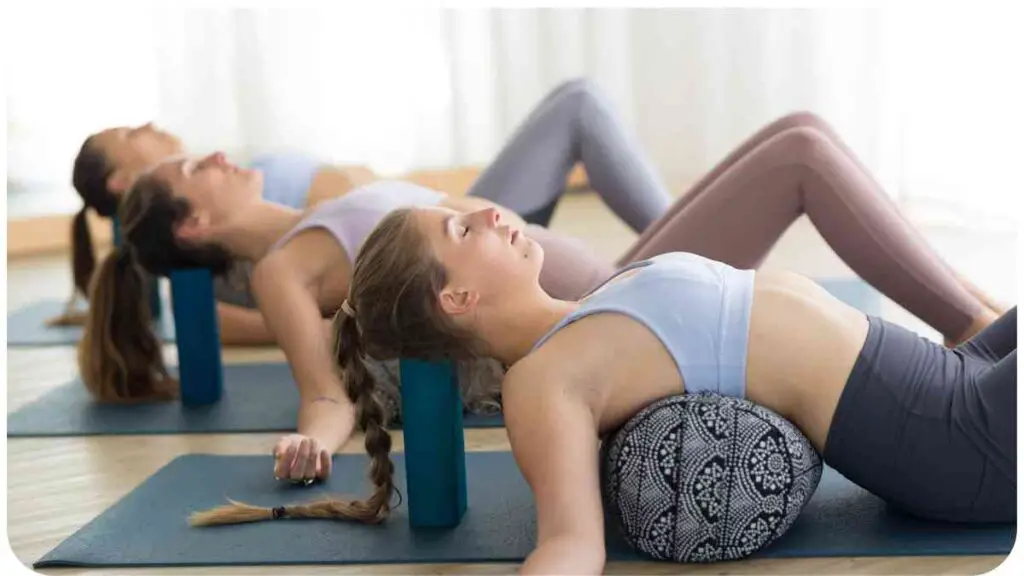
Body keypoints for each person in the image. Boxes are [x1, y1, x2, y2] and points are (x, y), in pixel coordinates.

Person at [82, 78, 1005, 485]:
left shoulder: (323, 198)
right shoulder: (289, 268)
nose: (208, 154)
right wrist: (311, 439)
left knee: (792, 130)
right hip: (630, 293)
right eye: (187, 172)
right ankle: (969, 315)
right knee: (800, 149)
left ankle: (970, 316)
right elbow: (325, 388)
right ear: (193, 223)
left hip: (637, 288)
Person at [186, 202, 1015, 574]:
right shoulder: (544, 384)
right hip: (955, 439)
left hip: (957, 374)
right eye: (461, 231)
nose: (489, 215)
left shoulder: (586, 307)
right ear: (459, 300)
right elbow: (570, 545)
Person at [63, 123, 377, 344]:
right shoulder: (233, 242)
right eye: (131, 134)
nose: (147, 125)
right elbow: (211, 320)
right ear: (122, 181)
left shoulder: (236, 190)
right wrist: (307, 328)